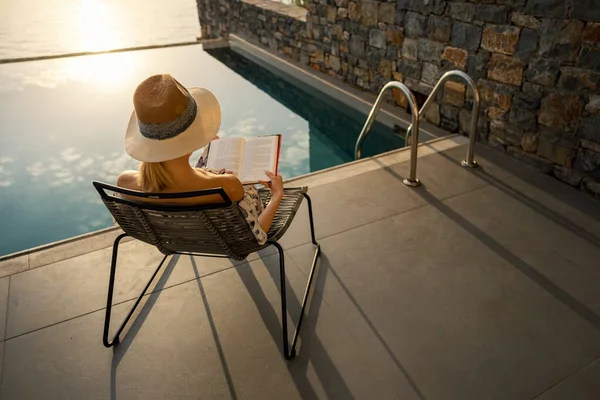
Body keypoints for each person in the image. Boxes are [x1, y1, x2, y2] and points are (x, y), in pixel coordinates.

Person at [116, 73, 283, 244]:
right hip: (224, 237)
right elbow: (257, 234)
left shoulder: (125, 182)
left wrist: (211, 175)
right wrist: (276, 194)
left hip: (179, 238)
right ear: (191, 137)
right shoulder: (226, 185)